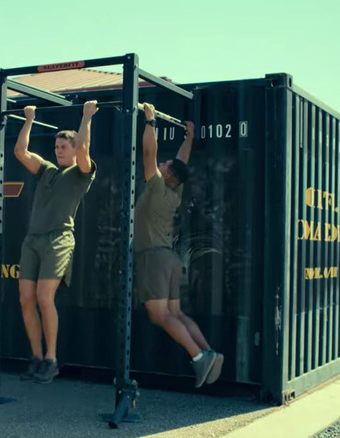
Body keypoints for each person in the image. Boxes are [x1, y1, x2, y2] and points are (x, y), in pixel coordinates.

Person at [134, 103, 222, 388]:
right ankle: (208, 351)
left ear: (167, 175)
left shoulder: (158, 186)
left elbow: (149, 153)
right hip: (171, 260)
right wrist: (189, 137)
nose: (160, 165)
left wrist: (150, 121)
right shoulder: (175, 188)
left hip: (154, 259)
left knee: (160, 316)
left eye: (164, 167)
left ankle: (199, 357)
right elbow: (180, 162)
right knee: (177, 313)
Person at [14, 102, 98, 384]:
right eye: (57, 146)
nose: (58, 150)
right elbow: (20, 152)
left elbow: (85, 150)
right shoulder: (47, 170)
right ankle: (37, 358)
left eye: (64, 147)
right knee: (26, 299)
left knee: (43, 297)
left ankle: (51, 359)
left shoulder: (81, 173)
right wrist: (29, 120)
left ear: (74, 150)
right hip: (32, 240)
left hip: (58, 240)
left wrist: (86, 117)